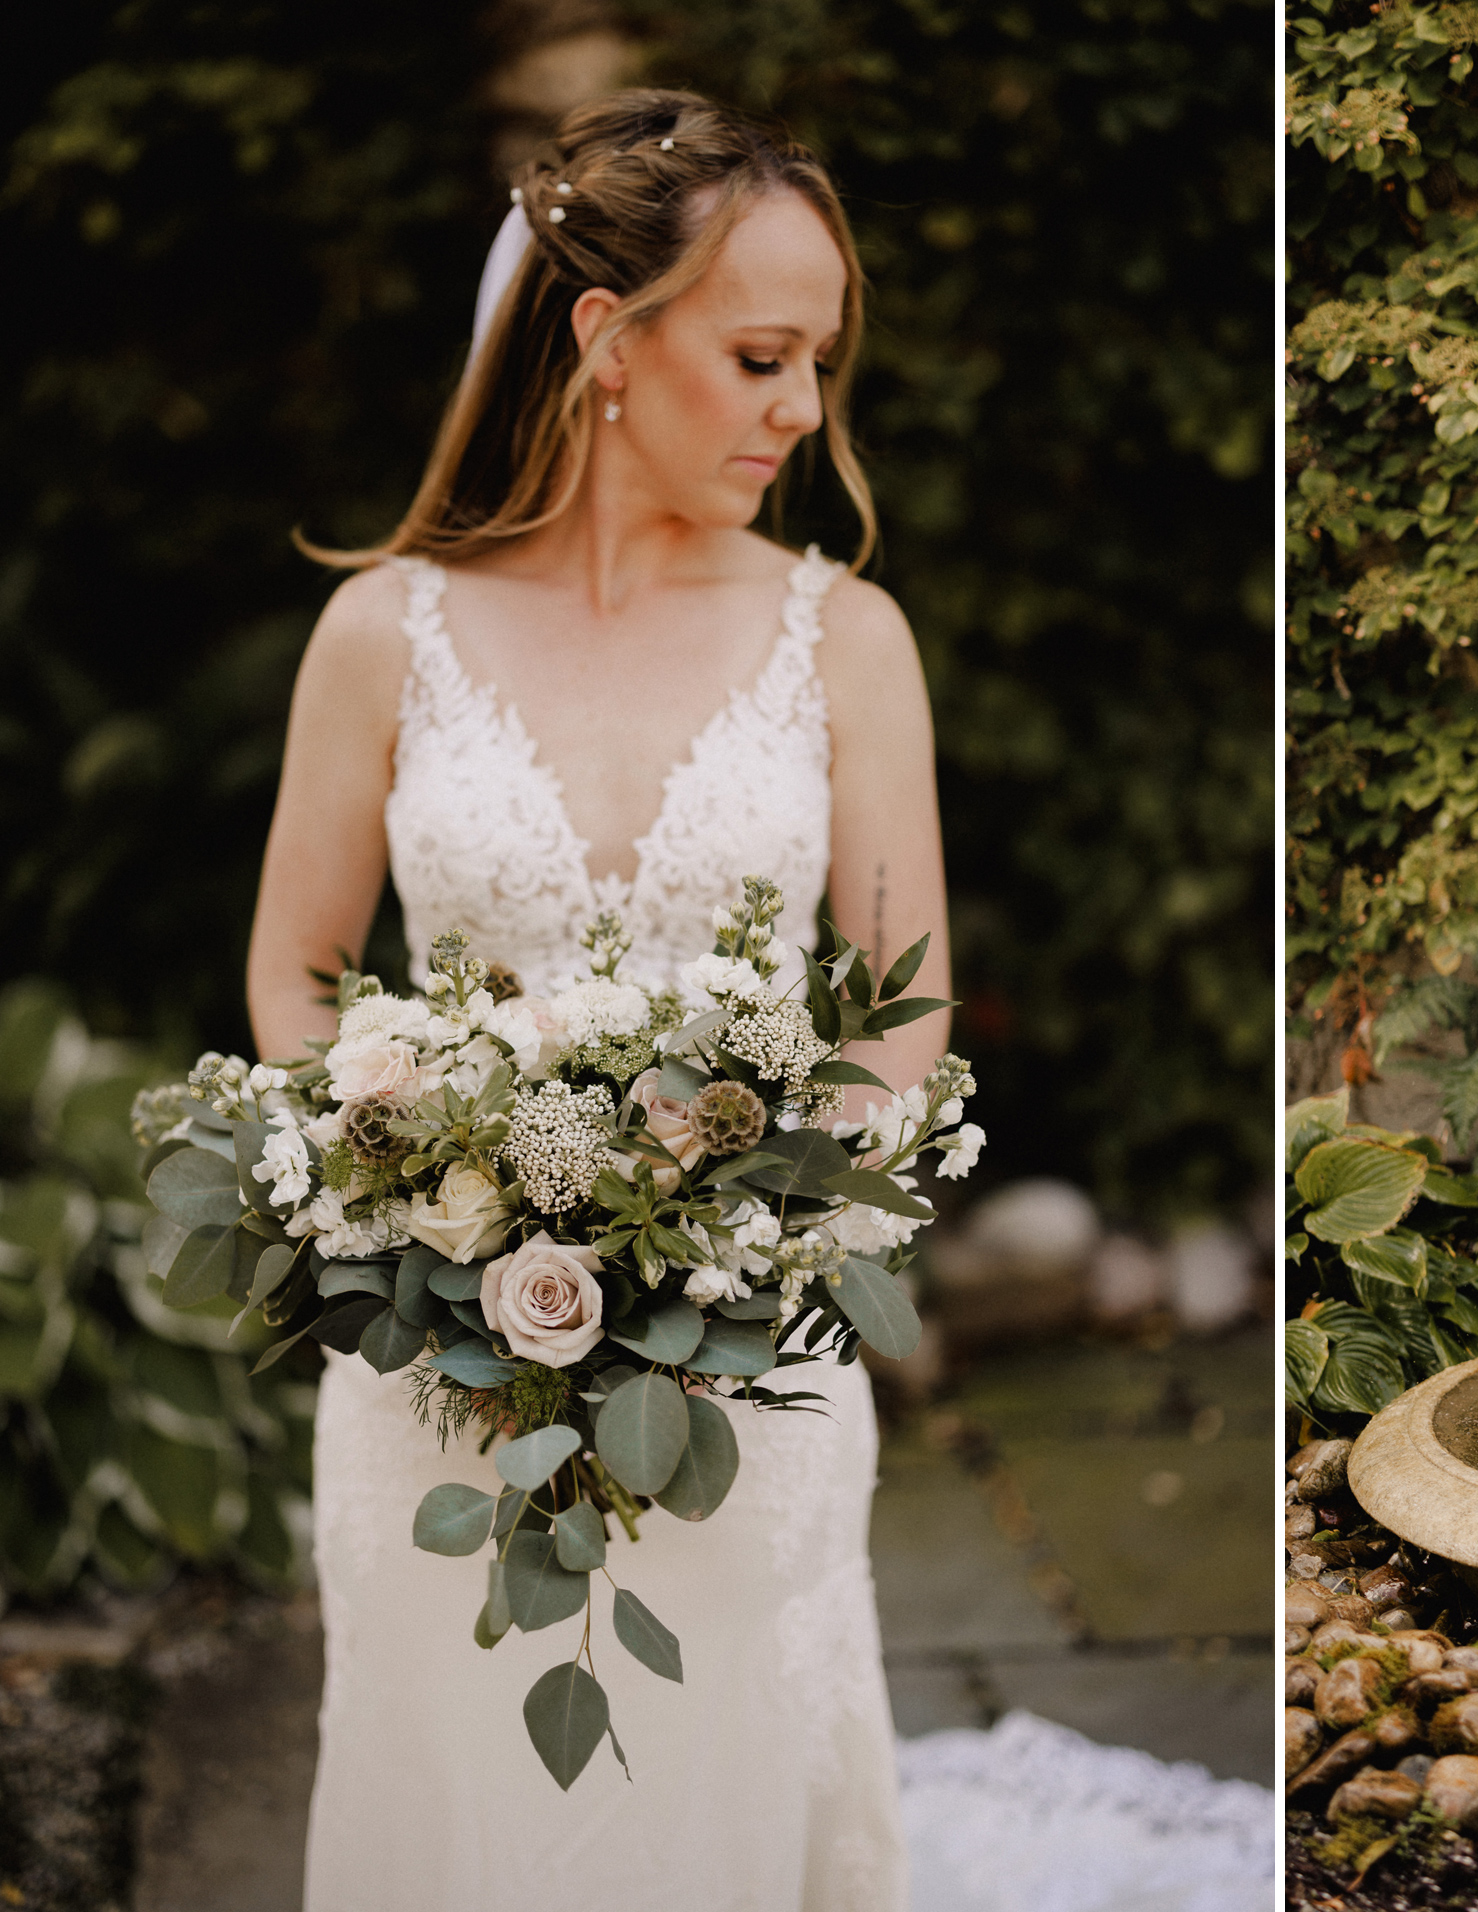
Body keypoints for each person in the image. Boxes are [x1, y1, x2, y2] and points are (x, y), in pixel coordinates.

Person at [243, 89, 937, 1908]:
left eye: (819, 364)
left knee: (727, 1771)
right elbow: (300, 972)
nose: (803, 410)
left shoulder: (844, 640)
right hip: (434, 1362)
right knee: (462, 1785)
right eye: (765, 355)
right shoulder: (383, 634)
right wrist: (402, 1200)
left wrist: (752, 1232)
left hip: (752, 1366)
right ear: (606, 339)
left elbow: (899, 1006)